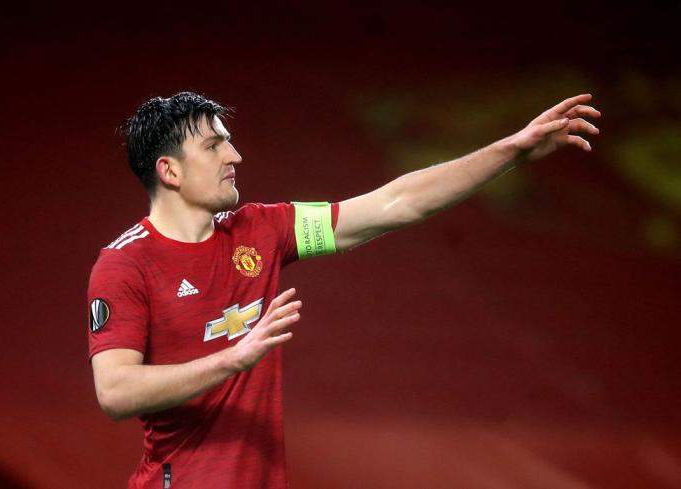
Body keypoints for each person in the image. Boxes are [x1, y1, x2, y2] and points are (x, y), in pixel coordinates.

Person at [87, 91, 600, 488]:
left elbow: (397, 203)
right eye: (214, 145)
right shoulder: (124, 265)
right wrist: (232, 359)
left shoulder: (262, 230)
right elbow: (116, 392)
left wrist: (513, 150)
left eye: (229, 141)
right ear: (169, 171)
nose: (235, 155)